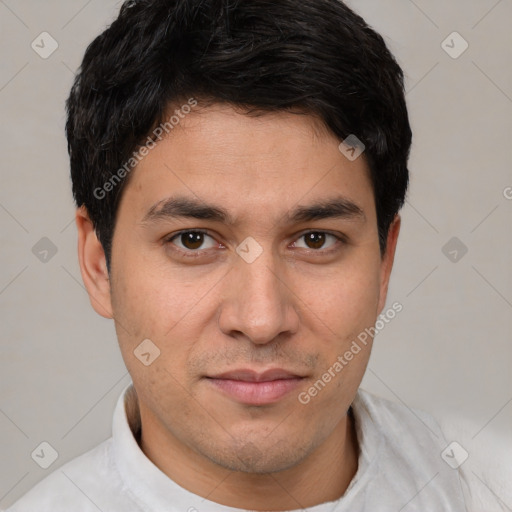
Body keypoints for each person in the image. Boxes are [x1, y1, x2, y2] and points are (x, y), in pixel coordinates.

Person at [5, 0, 492, 510]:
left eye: (315, 239)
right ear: (98, 263)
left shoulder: (486, 488)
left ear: (383, 261)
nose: (261, 321)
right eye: (193, 240)